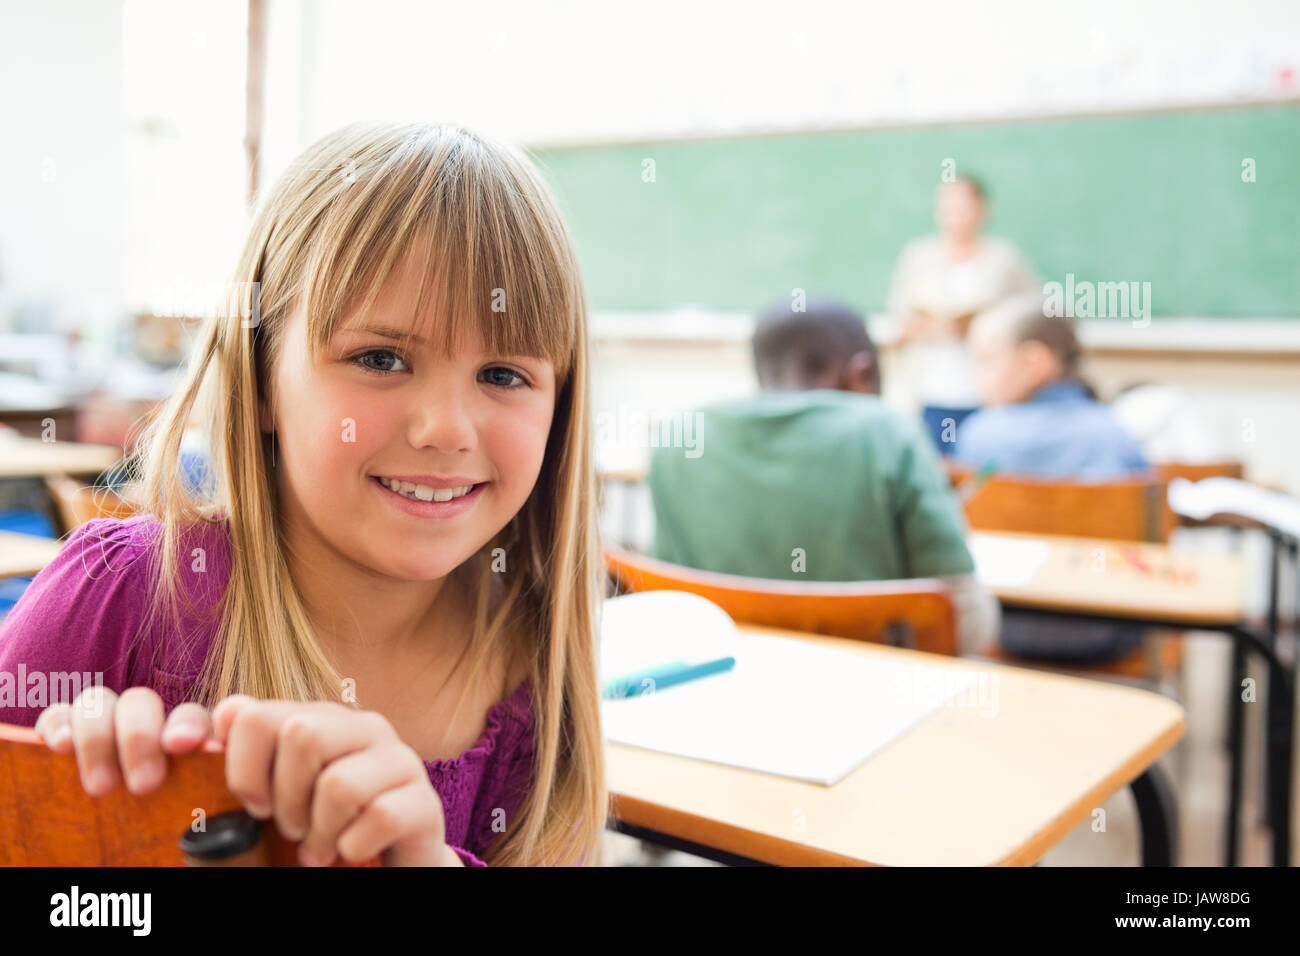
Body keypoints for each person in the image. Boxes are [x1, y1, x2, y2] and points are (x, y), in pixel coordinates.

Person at [0, 122, 604, 867]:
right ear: (258, 380)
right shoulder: (118, 600)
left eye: (504, 376)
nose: (445, 429)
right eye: (380, 358)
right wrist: (73, 841)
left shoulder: (532, 663)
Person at [648, 295, 999, 655]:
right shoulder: (888, 432)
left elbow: (664, 597)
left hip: (720, 680)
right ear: (862, 375)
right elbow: (967, 624)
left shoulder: (681, 436)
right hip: (877, 690)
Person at [887, 176, 1039, 452]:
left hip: (985, 393)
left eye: (963, 205)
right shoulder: (918, 257)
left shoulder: (1005, 260)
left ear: (982, 208)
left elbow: (1033, 319)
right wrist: (929, 325)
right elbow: (899, 325)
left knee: (980, 465)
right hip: (928, 390)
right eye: (947, 206)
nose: (954, 214)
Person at [954, 292, 1150, 480]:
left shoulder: (980, 435)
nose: (974, 377)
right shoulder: (1116, 437)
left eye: (986, 360)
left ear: (1033, 363)